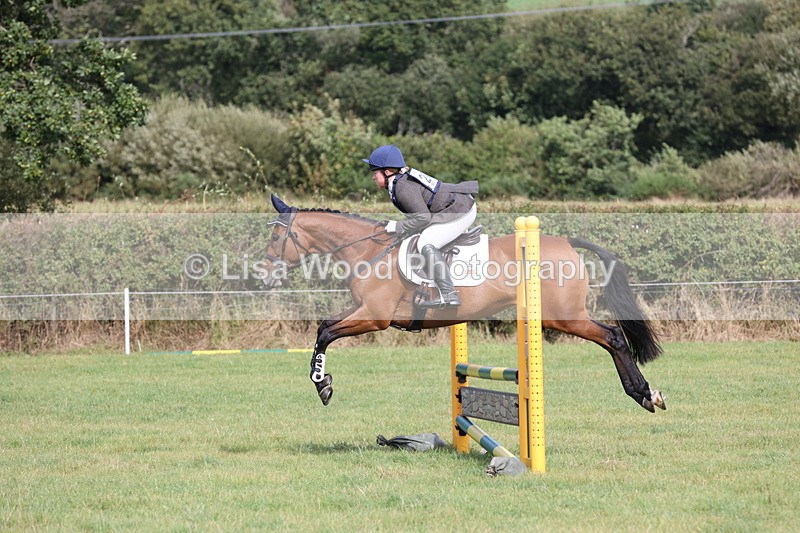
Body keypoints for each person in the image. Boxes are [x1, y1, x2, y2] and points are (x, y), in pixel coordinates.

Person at [363, 144, 478, 308]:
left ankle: (449, 294)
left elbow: (423, 218)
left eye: (375, 172)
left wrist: (398, 226)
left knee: (426, 243)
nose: (373, 177)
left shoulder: (402, 187)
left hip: (459, 210)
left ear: (387, 172)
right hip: (452, 207)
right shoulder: (400, 181)